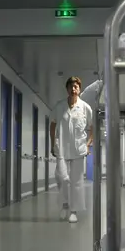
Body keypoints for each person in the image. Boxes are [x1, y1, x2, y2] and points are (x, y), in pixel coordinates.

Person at [50, 76, 93, 223]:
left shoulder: (85, 108)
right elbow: (53, 124)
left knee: (76, 182)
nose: (73, 89)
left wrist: (88, 144)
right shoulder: (59, 106)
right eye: (71, 86)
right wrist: (52, 143)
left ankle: (73, 211)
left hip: (79, 149)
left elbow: (92, 127)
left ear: (79, 89)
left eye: (76, 87)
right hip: (61, 147)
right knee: (62, 178)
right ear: (67, 89)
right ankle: (64, 204)